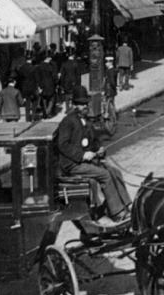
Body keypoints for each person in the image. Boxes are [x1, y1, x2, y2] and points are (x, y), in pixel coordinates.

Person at [56, 85, 131, 227]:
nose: (84, 106)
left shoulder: (86, 121)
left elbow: (93, 141)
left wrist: (99, 149)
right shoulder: (67, 121)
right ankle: (117, 213)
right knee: (104, 175)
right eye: (81, 104)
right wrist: (83, 155)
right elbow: (63, 145)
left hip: (84, 162)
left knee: (114, 171)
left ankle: (127, 205)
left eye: (85, 103)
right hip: (72, 165)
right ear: (73, 105)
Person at [34, 53, 58, 119]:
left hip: (42, 85)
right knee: (51, 99)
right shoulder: (51, 67)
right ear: (47, 58)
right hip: (51, 85)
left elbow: (37, 77)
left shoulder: (39, 67)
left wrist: (39, 85)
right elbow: (54, 77)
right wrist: (56, 83)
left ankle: (45, 112)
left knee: (44, 99)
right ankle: (48, 111)